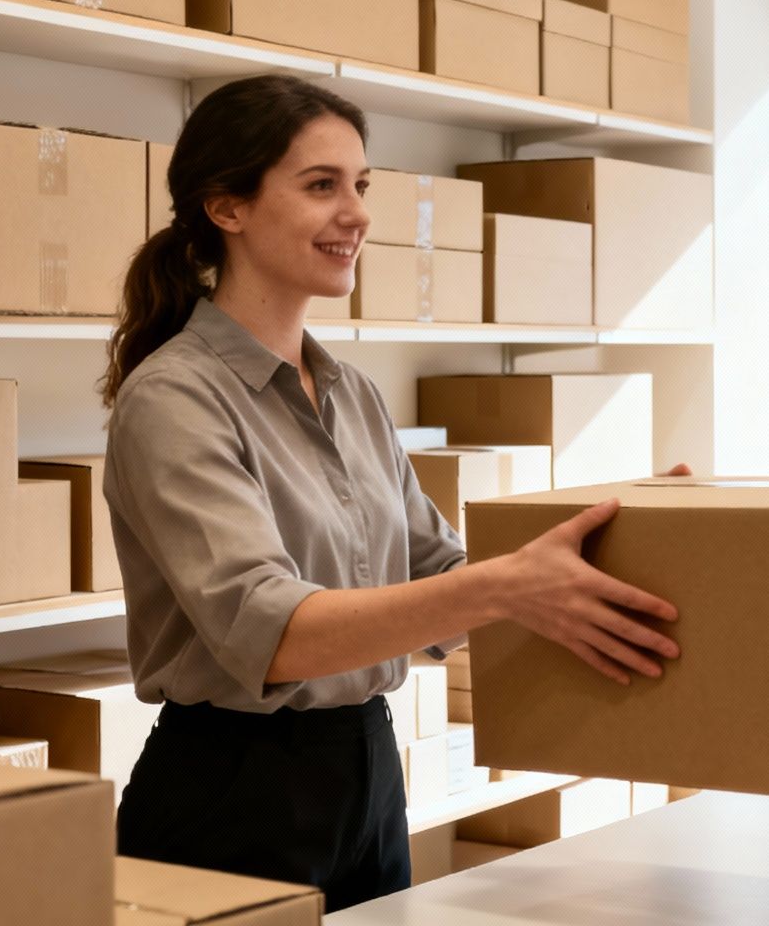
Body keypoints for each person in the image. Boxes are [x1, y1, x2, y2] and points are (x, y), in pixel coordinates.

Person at [99, 74, 683, 911]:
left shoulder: (351, 392)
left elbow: (434, 565)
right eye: (321, 185)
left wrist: (633, 536)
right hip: (229, 794)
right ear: (226, 207)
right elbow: (271, 634)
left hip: (368, 775)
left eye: (362, 185)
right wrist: (506, 588)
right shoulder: (175, 400)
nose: (359, 214)